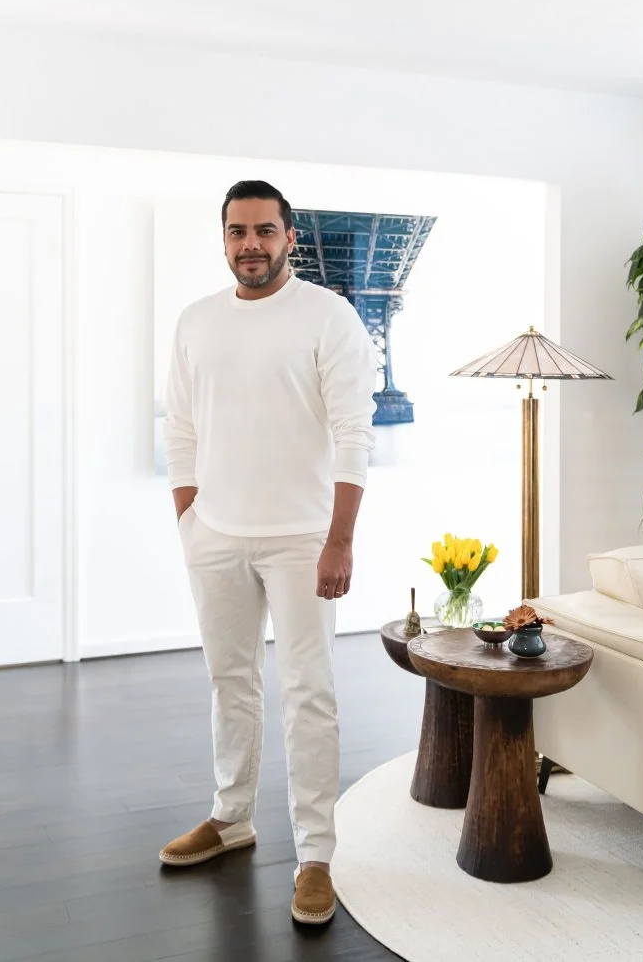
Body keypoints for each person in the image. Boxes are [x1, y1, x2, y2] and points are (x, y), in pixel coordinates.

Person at [158, 180, 377, 925]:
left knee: (307, 692)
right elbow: (181, 425)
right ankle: (231, 815)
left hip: (301, 538)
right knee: (231, 681)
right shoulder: (195, 321)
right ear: (223, 239)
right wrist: (189, 515)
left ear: (289, 237)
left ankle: (315, 852)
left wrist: (338, 538)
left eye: (263, 230)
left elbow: (354, 432)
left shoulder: (329, 316)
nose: (249, 243)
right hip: (214, 533)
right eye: (236, 231)